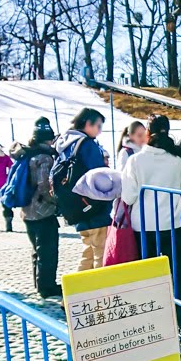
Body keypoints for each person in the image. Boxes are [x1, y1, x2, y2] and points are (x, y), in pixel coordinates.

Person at [120, 115, 181, 318]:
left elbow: (128, 195)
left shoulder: (135, 161)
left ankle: (150, 314)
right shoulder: (177, 159)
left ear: (148, 133)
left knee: (146, 270)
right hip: (172, 221)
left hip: (143, 224)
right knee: (178, 270)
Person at [54, 108, 111, 271]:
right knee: (100, 253)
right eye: (98, 126)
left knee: (88, 252)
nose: (99, 131)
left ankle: (76, 295)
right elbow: (99, 176)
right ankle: (101, 292)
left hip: (75, 207)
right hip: (94, 207)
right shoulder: (87, 144)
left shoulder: (65, 144)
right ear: (87, 124)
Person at [12, 118, 61, 298]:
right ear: (48, 139)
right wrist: (57, 202)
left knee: (37, 250)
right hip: (42, 212)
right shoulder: (44, 158)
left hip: (27, 211)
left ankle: (39, 283)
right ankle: (47, 287)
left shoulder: (27, 154)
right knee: (48, 251)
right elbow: (44, 185)